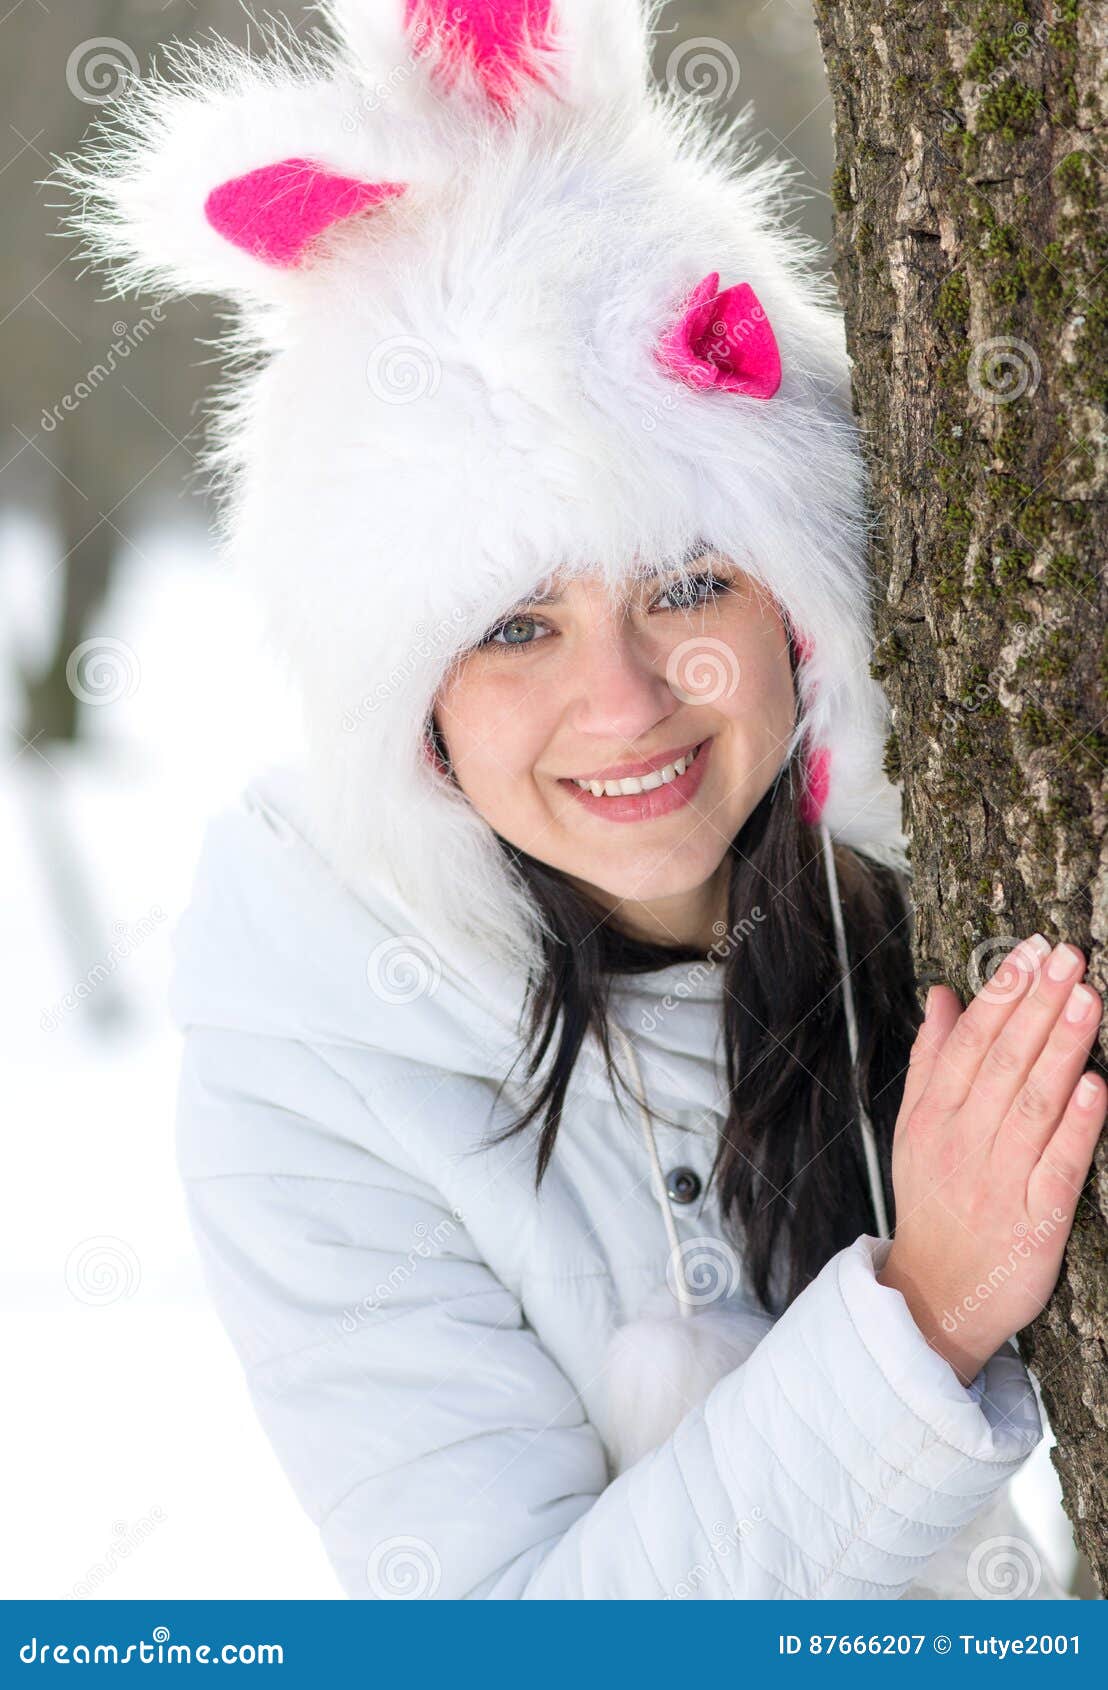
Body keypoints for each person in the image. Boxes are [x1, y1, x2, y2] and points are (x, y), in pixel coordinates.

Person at [54, 0, 1103, 1600]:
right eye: (516, 625)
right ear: (411, 700)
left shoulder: (944, 851)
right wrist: (928, 1308)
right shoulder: (318, 1042)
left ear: (794, 605)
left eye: (687, 581)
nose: (624, 701)